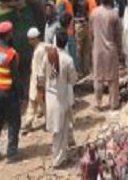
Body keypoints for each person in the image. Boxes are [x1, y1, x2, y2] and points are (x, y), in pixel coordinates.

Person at [38, 30, 78, 168]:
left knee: (59, 129)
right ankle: (58, 160)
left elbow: (41, 76)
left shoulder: (47, 56)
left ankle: (62, 154)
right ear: (66, 43)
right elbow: (73, 79)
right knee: (60, 131)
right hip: (62, 99)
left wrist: (41, 91)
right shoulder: (68, 60)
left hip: (50, 98)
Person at [0, 21, 22, 163]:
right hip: (9, 93)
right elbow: (16, 78)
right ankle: (12, 153)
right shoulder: (11, 54)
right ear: (8, 35)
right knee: (14, 121)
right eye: (11, 32)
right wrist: (22, 94)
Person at [89, 0, 122, 111]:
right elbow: (118, 35)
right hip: (110, 49)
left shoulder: (93, 13)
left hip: (97, 49)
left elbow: (91, 32)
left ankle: (98, 103)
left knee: (98, 78)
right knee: (113, 79)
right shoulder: (113, 14)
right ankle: (114, 104)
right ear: (111, 0)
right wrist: (119, 50)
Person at [22, 28, 48, 134]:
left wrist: (40, 85)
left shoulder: (39, 51)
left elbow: (40, 69)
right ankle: (28, 123)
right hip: (36, 82)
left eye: (30, 39)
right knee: (33, 104)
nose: (29, 42)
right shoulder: (42, 47)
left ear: (34, 39)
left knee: (42, 104)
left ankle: (49, 123)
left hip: (38, 83)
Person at [73, 0, 91, 77]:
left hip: (86, 23)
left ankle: (86, 70)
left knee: (86, 48)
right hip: (79, 23)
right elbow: (74, 9)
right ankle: (79, 72)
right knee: (78, 49)